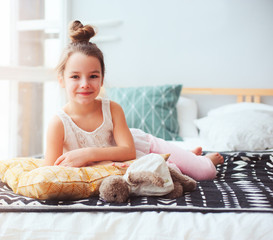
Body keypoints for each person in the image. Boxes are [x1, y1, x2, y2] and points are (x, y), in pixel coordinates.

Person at [44, 20, 224, 181]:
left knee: (204, 173)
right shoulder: (58, 123)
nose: (85, 84)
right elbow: (50, 172)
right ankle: (184, 158)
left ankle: (198, 160)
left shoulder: (112, 109)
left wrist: (86, 154)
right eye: (75, 77)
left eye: (93, 76)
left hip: (143, 147)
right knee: (169, 174)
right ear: (61, 80)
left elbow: (128, 150)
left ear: (102, 78)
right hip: (126, 165)